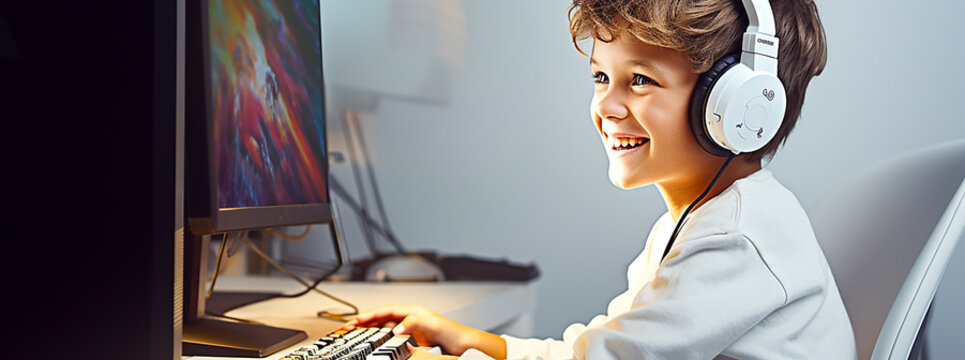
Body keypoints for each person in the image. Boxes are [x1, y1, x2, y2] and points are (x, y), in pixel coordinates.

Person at [348, 0, 856, 358]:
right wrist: (476, 342)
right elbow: (601, 349)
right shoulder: (698, 224)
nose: (606, 106)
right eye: (600, 77)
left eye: (641, 80)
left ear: (738, 104)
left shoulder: (737, 238)